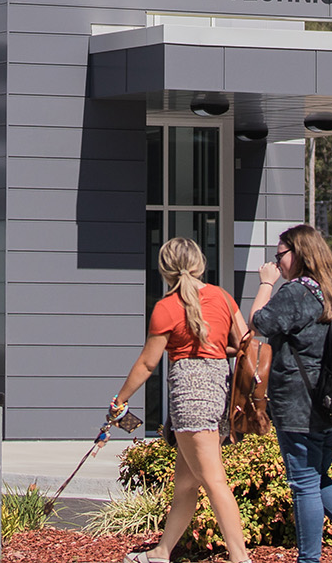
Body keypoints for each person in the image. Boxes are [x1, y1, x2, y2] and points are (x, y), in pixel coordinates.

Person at [111, 237, 251, 563]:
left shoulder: (167, 307)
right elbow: (244, 343)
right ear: (200, 264)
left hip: (190, 397)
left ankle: (241, 558)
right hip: (219, 392)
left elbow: (148, 363)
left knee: (215, 482)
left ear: (164, 269)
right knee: (187, 484)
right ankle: (162, 552)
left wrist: (120, 400)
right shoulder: (222, 297)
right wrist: (216, 350)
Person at [247, 224, 332, 563]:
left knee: (303, 484)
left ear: (300, 253)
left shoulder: (298, 293)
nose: (277, 263)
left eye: (280, 256)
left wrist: (266, 283)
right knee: (317, 477)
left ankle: (309, 560)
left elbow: (259, 323)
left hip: (301, 407)